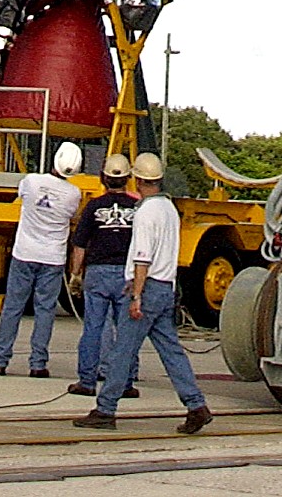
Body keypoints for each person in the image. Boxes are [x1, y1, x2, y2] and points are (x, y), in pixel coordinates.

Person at [74, 152, 210, 433]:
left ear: (137, 179)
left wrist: (136, 295)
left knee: (123, 349)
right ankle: (196, 405)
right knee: (171, 350)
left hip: (146, 290)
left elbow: (142, 257)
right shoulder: (169, 209)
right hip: (165, 288)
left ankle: (105, 409)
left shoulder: (146, 212)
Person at [0, 139, 84, 376]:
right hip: (52, 257)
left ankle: (0, 360)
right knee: (45, 310)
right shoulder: (74, 193)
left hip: (24, 253)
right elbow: (72, 217)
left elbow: (21, 196)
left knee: (13, 306)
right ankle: (38, 363)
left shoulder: (31, 181)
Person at [68, 152, 141, 400]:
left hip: (97, 272)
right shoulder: (137, 207)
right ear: (128, 179)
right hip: (126, 273)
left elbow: (80, 244)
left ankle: (87, 381)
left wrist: (75, 274)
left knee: (93, 328)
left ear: (103, 178)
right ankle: (126, 382)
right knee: (127, 331)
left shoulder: (93, 206)